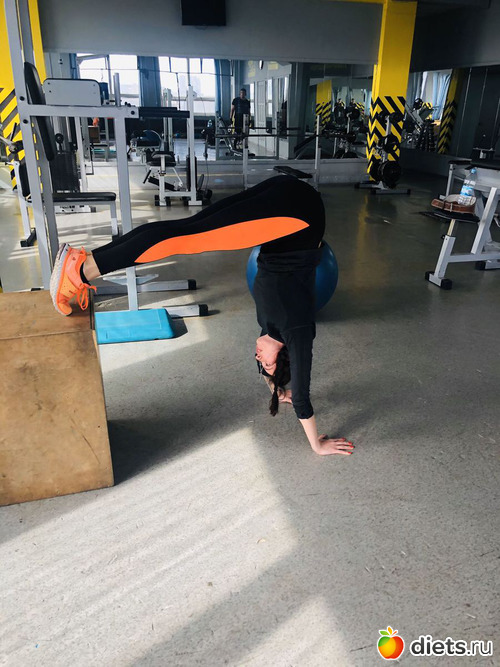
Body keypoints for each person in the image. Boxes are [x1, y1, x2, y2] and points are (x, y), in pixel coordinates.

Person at [50, 176, 354, 457]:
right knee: (184, 239)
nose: (258, 357)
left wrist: (274, 387)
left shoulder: (269, 327)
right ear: (285, 354)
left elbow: (270, 368)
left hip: (291, 199)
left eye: (259, 361)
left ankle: (84, 259)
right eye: (267, 362)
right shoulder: (298, 330)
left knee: (184, 228)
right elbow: (301, 397)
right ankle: (80, 271)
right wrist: (317, 444)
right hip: (299, 216)